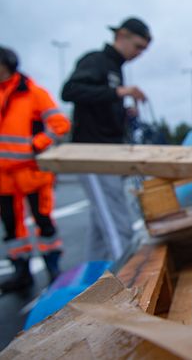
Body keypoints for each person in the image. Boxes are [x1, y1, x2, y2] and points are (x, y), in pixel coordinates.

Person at [61, 17, 150, 261]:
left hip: (109, 151)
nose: (139, 53)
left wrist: (123, 110)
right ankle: (128, 285)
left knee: (102, 224)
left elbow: (101, 103)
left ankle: (93, 274)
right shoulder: (95, 61)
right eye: (138, 46)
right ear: (121, 35)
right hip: (92, 153)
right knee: (117, 224)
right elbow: (70, 91)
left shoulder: (116, 68)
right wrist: (119, 92)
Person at [0, 46, 70, 292]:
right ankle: (21, 273)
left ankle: (53, 269)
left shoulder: (32, 93)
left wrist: (37, 143)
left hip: (31, 170)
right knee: (11, 226)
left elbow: (59, 123)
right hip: (4, 175)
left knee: (43, 220)